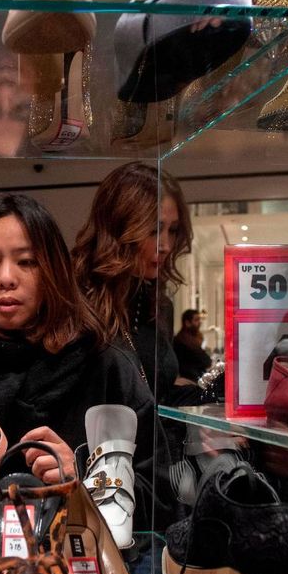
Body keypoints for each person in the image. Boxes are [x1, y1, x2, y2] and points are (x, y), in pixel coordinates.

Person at [0, 193, 168, 534]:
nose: (6, 278)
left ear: (52, 269)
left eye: (26, 262)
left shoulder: (104, 367)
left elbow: (160, 504)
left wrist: (87, 480)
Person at [71, 162, 194, 402]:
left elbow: (158, 394)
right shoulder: (76, 301)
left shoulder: (158, 306)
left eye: (173, 230)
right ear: (119, 227)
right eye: (153, 230)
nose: (166, 245)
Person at [173, 308, 212, 381]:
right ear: (187, 323)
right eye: (196, 320)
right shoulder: (184, 341)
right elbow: (204, 360)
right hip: (192, 380)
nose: (199, 323)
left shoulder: (193, 339)